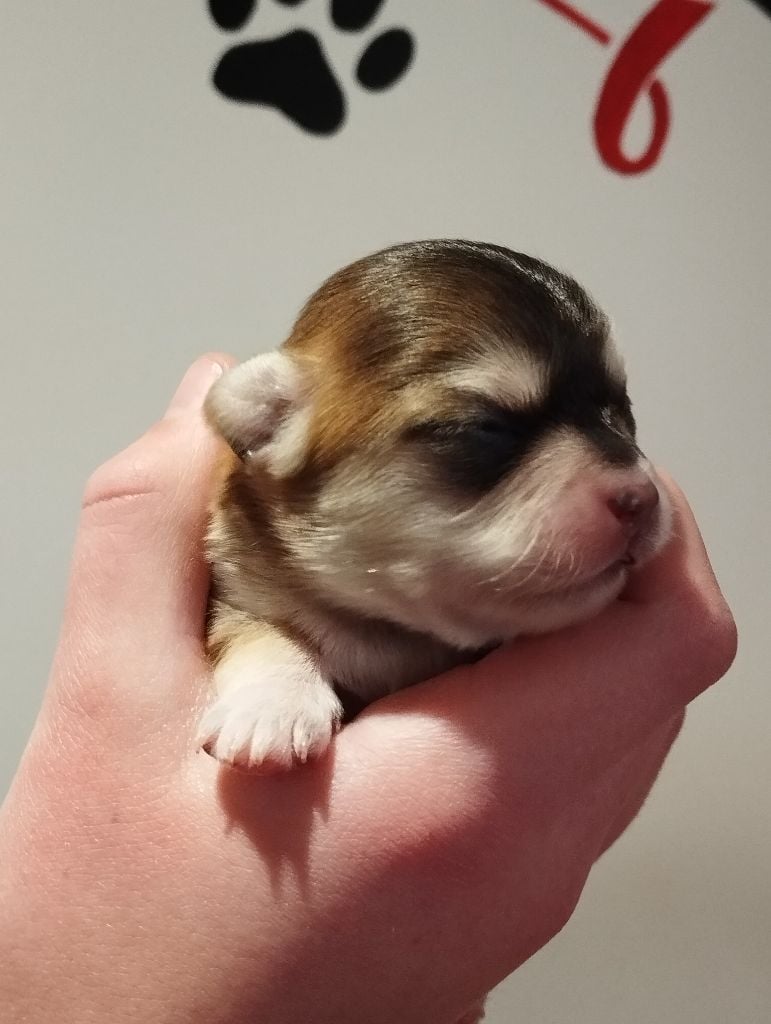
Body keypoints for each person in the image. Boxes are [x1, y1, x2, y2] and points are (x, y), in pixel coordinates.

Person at [0, 355, 736, 1024]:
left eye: (614, 413)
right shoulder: (260, 553)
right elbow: (242, 621)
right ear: (274, 423)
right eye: (482, 430)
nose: (629, 479)